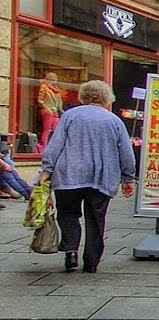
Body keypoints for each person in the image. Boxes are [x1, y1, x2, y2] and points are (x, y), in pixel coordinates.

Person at [38, 80, 136, 273]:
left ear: (83, 96)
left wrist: (47, 170)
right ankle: (91, 261)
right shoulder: (113, 120)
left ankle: (71, 250)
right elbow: (126, 152)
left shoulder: (69, 116)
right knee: (96, 218)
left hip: (69, 174)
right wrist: (128, 178)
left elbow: (55, 145)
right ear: (107, 98)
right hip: (101, 177)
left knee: (67, 214)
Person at [37, 72, 64, 152]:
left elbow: (59, 105)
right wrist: (47, 108)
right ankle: (43, 147)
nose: (53, 82)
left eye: (55, 80)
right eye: (51, 80)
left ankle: (54, 148)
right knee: (47, 130)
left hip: (55, 112)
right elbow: (40, 100)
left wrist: (63, 112)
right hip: (47, 111)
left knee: (56, 130)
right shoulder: (44, 87)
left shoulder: (57, 90)